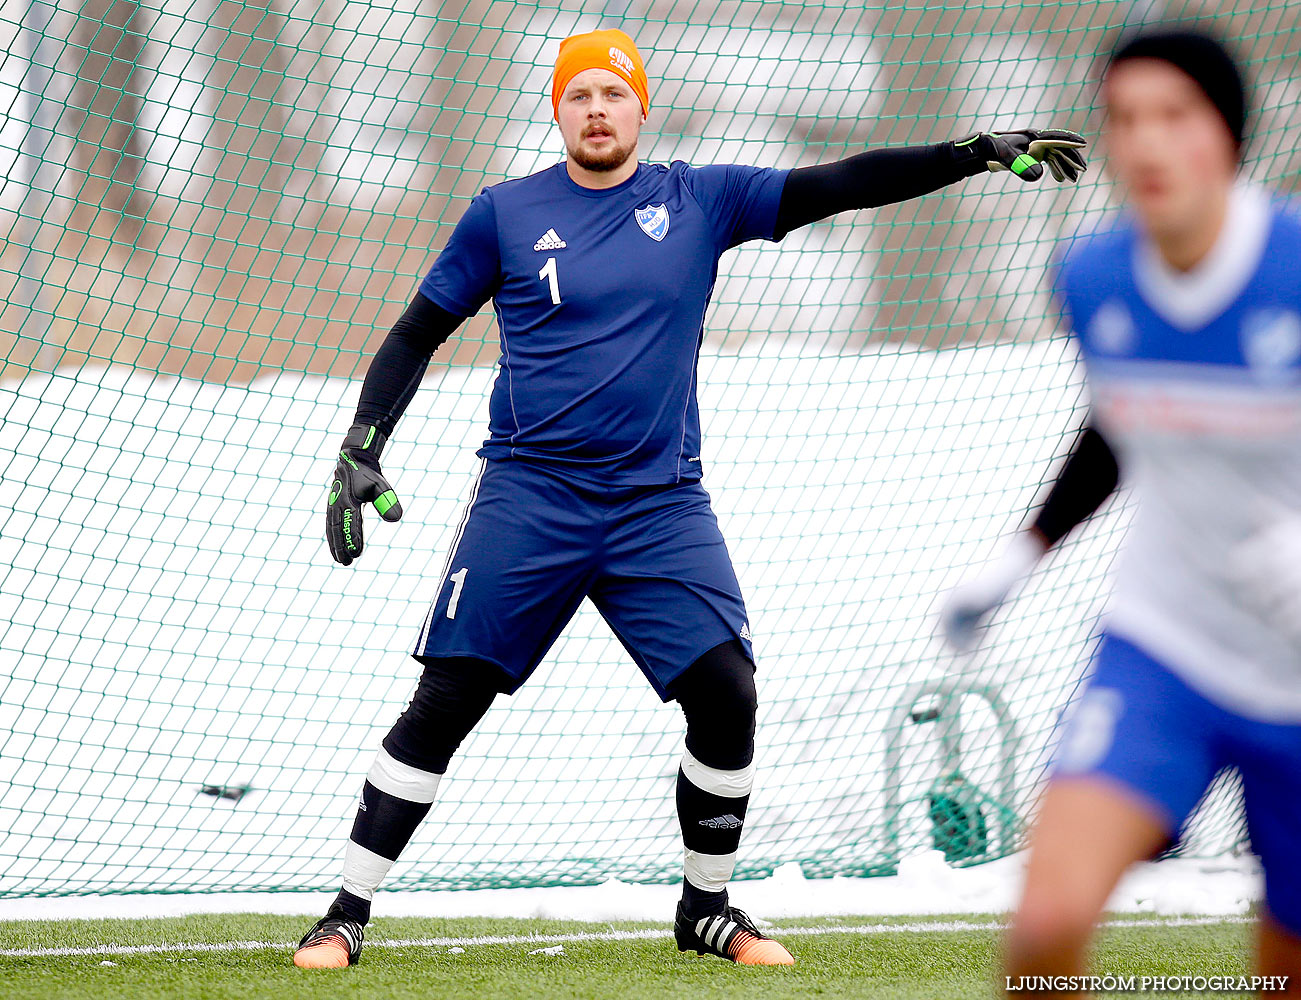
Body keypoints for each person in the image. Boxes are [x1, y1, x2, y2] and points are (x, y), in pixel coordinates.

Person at [298, 27, 1087, 970]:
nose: (597, 109)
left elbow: (838, 182)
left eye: (613, 94)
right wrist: (362, 444)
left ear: (641, 107)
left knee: (727, 694)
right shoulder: (504, 214)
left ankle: (705, 908)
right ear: (558, 111)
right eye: (579, 95)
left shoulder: (699, 198)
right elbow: (415, 331)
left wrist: (967, 155)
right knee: (447, 700)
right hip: (529, 494)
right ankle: (346, 911)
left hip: (657, 506)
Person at [939, 25, 1301, 997]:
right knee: (1044, 932)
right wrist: (1021, 552)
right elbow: (1116, 427)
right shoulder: (1091, 279)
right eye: (1122, 120)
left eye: (1171, 117)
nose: (1142, 145)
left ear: (1226, 135)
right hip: (1163, 650)